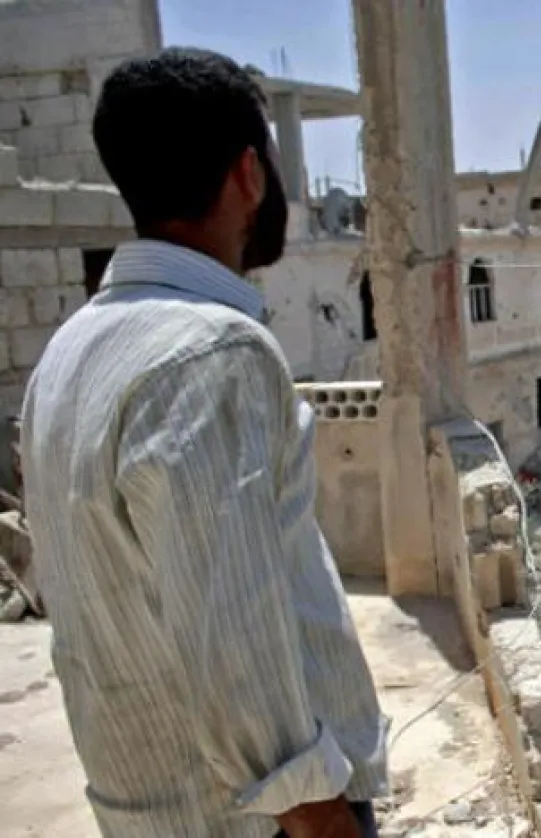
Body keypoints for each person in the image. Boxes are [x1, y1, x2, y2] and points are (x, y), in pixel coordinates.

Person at [19, 48, 386, 838]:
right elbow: (234, 636)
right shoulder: (212, 352)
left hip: (147, 807)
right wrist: (324, 820)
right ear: (249, 175)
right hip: (263, 822)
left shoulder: (69, 352)